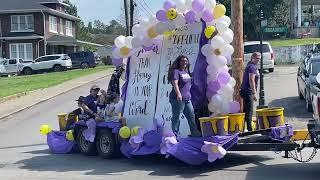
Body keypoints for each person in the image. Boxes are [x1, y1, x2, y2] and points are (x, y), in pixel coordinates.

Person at [168, 55, 201, 137]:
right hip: (178, 99)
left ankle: (194, 133)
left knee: (191, 116)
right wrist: (178, 94)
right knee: (176, 117)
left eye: (186, 61)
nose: (184, 62)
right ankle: (175, 134)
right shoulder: (176, 71)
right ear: (179, 62)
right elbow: (174, 83)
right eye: (182, 61)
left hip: (187, 99)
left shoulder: (186, 72)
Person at [240, 52, 261, 131]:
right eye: (257, 58)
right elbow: (251, 80)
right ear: (252, 58)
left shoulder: (251, 66)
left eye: (259, 58)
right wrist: (254, 93)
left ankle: (244, 127)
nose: (258, 60)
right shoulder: (252, 67)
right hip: (248, 91)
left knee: (246, 110)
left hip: (244, 90)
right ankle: (249, 129)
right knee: (249, 111)